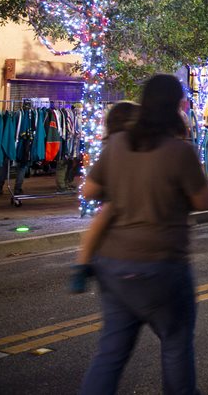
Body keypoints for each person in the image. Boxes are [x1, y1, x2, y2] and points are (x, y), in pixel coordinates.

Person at [79, 75, 208, 395]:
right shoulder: (179, 151)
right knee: (176, 345)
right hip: (163, 265)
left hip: (113, 264)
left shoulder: (118, 145)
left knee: (110, 354)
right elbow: (204, 201)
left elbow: (91, 189)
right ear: (176, 106)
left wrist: (124, 189)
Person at [70, 101, 140, 294]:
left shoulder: (112, 145)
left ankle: (82, 265)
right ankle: (82, 265)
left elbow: (88, 191)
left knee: (98, 224)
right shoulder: (138, 143)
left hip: (115, 199)